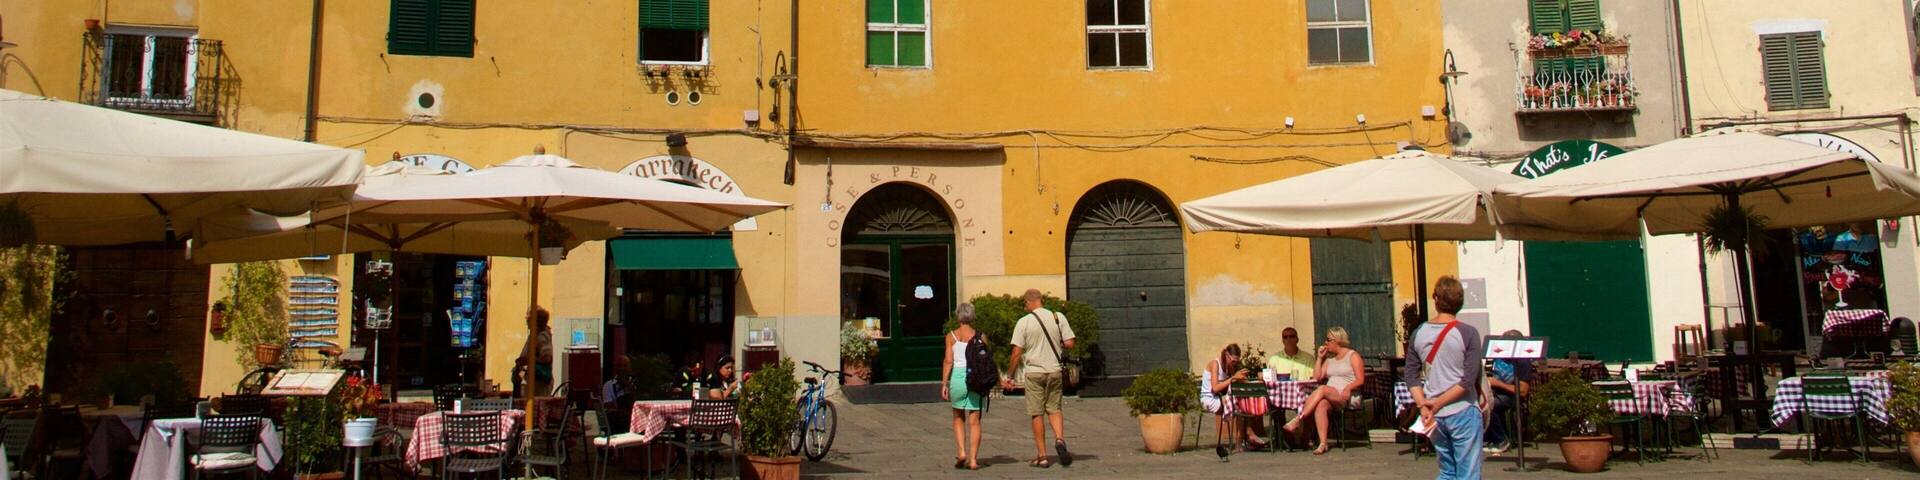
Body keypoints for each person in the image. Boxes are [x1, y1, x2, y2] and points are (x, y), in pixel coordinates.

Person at [1404, 276, 1487, 480]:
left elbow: (1411, 375)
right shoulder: (1468, 333)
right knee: (1468, 473)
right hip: (1462, 408)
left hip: (1433, 416)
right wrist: (1438, 404)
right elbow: (1467, 380)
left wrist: (1424, 405)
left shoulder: (1418, 333)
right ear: (1460, 302)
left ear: (1435, 298)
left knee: (1447, 471)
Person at [1003, 289, 1076, 468]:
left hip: (1034, 372)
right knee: (1054, 408)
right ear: (1041, 300)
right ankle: (1059, 439)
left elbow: (1016, 352)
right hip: (1054, 370)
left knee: (1037, 413)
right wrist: (1057, 342)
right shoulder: (1057, 317)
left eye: (1025, 304)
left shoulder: (1024, 322)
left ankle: (1042, 456)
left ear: (1029, 302)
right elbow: (1070, 343)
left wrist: (1010, 375)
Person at [1283, 327, 1366, 455]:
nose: (1325, 343)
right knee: (1321, 404)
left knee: (1322, 389)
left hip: (1347, 395)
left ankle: (1299, 419)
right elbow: (1316, 378)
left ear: (1338, 340)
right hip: (1330, 395)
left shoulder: (1352, 356)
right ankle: (1323, 443)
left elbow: (1360, 379)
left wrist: (1349, 387)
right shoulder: (1330, 360)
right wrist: (1319, 358)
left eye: (1328, 340)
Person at [942, 304, 986, 470]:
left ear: (958, 317)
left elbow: (948, 361)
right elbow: (985, 360)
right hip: (975, 378)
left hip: (958, 377)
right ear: (972, 316)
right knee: (975, 420)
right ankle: (973, 460)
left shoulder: (952, 336)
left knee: (958, 416)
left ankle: (961, 452)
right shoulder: (980, 336)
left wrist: (944, 383)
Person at [1203, 343, 1270, 451]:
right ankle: (1241, 441)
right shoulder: (1215, 364)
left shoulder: (1229, 366)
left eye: (1236, 361)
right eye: (1233, 361)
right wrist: (1233, 378)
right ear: (1226, 355)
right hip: (1209, 398)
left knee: (1244, 402)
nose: (1234, 363)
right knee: (1238, 405)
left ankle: (1247, 436)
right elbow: (1215, 388)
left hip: (1221, 396)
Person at [1484, 329, 1532, 454]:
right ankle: (1483, 439)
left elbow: (1523, 391)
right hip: (1492, 391)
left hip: (1511, 396)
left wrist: (1498, 383)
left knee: (1489, 405)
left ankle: (1501, 440)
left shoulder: (1522, 362)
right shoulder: (1496, 358)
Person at [515, 307, 555, 396]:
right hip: (534, 381)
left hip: (539, 382)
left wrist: (529, 360)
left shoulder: (541, 336)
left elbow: (547, 357)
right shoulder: (534, 335)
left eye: (528, 318)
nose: (526, 321)